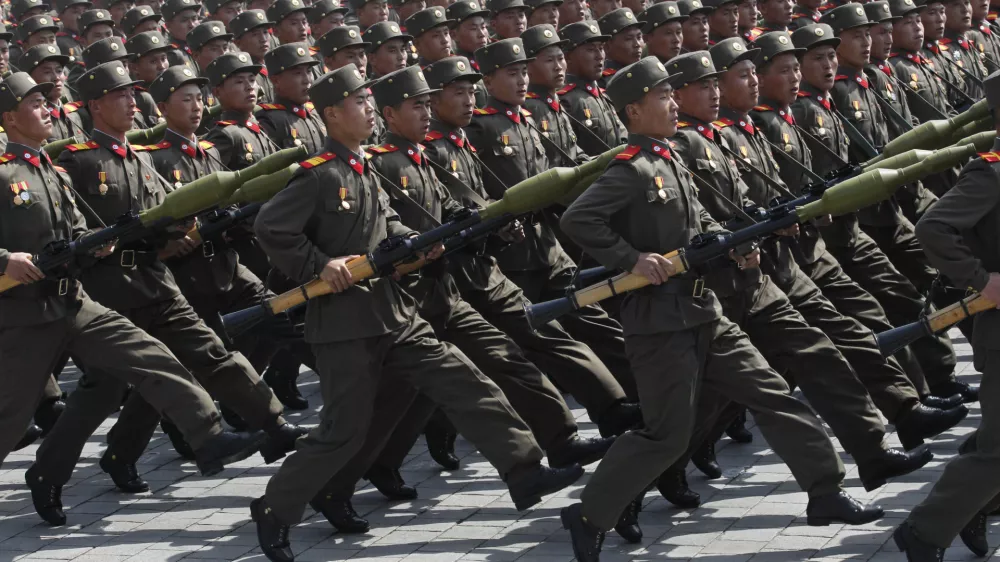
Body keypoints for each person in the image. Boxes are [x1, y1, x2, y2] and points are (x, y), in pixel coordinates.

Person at [250, 64, 584, 562]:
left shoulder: (364, 168)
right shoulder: (319, 175)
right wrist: (322, 265)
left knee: (468, 381)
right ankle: (274, 508)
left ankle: (524, 470)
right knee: (343, 430)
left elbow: (384, 227)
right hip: (344, 326)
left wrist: (409, 250)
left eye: (369, 101)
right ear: (331, 114)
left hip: (398, 314)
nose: (368, 111)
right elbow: (271, 228)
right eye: (359, 103)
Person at [557, 56, 883, 562]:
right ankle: (589, 511)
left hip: (705, 310)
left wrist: (731, 243)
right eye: (662, 96)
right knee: (666, 435)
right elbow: (580, 219)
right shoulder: (631, 168)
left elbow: (697, 217)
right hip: (660, 323)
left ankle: (826, 491)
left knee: (773, 394)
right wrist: (631, 260)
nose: (671, 103)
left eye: (670, 94)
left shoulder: (670, 157)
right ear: (634, 111)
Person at [0, 70, 264, 523]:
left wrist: (97, 242)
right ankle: (45, 474)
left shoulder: (54, 172)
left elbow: (75, 232)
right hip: (25, 313)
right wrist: (4, 259)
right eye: (35, 103)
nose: (48, 108)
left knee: (151, 356)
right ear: (8, 117)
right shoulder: (6, 175)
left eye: (48, 101)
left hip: (75, 302)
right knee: (10, 415)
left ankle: (209, 435)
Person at [790, 23, 968, 402]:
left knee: (914, 291)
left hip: (874, 218)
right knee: (882, 308)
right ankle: (920, 392)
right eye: (817, 58)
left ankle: (928, 387)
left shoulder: (853, 88)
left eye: (831, 56)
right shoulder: (808, 109)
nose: (828, 64)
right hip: (838, 235)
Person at [897, 69, 1000, 562]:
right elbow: (933, 227)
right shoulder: (992, 170)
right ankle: (926, 530)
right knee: (998, 450)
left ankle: (973, 503)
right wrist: (982, 278)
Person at [557, 21, 628, 156]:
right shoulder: (567, 101)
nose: (599, 56)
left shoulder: (603, 95)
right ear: (568, 57)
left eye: (601, 48)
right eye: (590, 50)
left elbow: (622, 138)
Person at [256, 43, 327, 152]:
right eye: (298, 73)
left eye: (308, 71)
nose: (307, 79)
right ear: (276, 81)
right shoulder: (270, 121)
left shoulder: (316, 114)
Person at [19, 44, 85, 142]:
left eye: (59, 71)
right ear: (30, 78)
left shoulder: (73, 115)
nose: (56, 77)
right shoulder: (31, 119)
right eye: (47, 72)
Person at [231, 9, 277, 104]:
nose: (263, 39)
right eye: (255, 34)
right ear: (238, 43)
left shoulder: (277, 66)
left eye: (265, 32)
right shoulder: (239, 74)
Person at [597, 7, 645, 86]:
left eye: (639, 37)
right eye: (628, 39)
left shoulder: (646, 72)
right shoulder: (606, 82)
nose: (637, 44)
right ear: (607, 46)